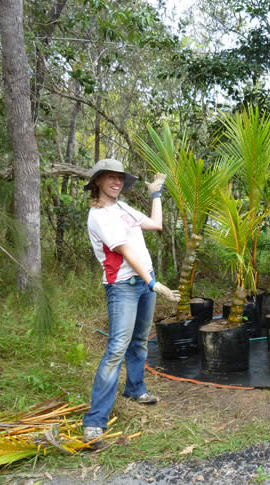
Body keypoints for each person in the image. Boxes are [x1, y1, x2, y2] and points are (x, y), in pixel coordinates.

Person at [81, 158, 180, 447]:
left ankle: (135, 389)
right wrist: (154, 283)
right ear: (98, 181)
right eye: (110, 177)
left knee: (139, 342)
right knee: (116, 349)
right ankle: (95, 420)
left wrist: (156, 194)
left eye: (120, 178)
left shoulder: (123, 207)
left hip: (144, 283)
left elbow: (156, 224)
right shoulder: (98, 216)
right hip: (123, 287)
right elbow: (124, 251)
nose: (117, 182)